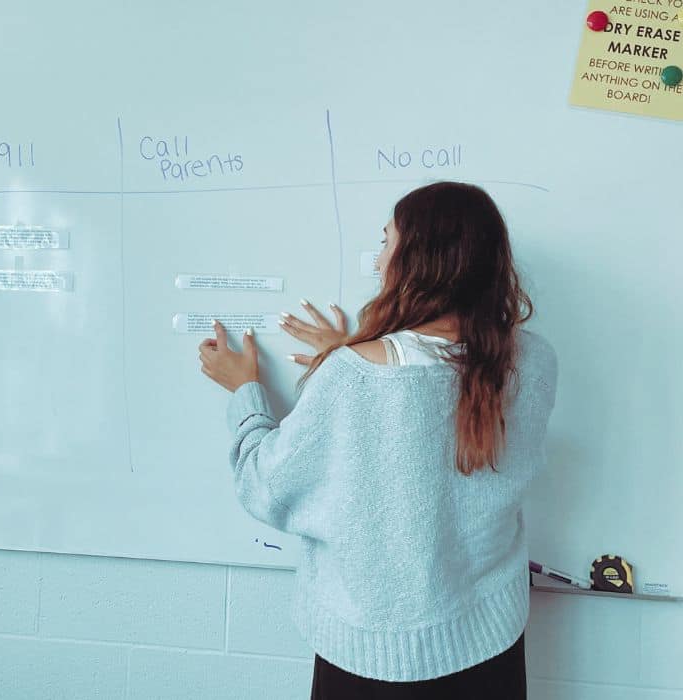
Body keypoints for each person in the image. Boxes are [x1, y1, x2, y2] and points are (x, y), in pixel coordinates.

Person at [197, 181, 557, 698]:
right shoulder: (535, 362)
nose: (377, 260)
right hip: (488, 644)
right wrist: (355, 349)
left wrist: (245, 390)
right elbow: (436, 400)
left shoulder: (352, 379)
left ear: (417, 260)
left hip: (367, 659)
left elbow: (265, 487)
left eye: (386, 242)